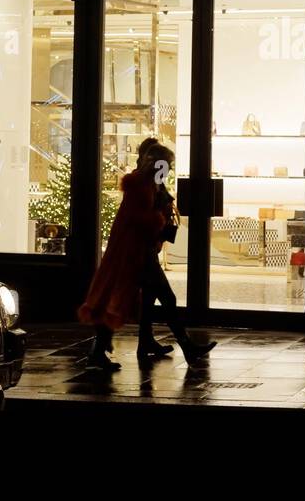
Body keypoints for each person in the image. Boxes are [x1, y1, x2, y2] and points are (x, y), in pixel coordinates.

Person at [77, 138, 214, 370]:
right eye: (167, 164)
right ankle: (185, 347)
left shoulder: (148, 184)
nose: (168, 169)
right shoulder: (141, 185)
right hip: (134, 254)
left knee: (118, 299)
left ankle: (104, 351)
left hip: (136, 252)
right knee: (136, 298)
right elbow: (138, 218)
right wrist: (159, 220)